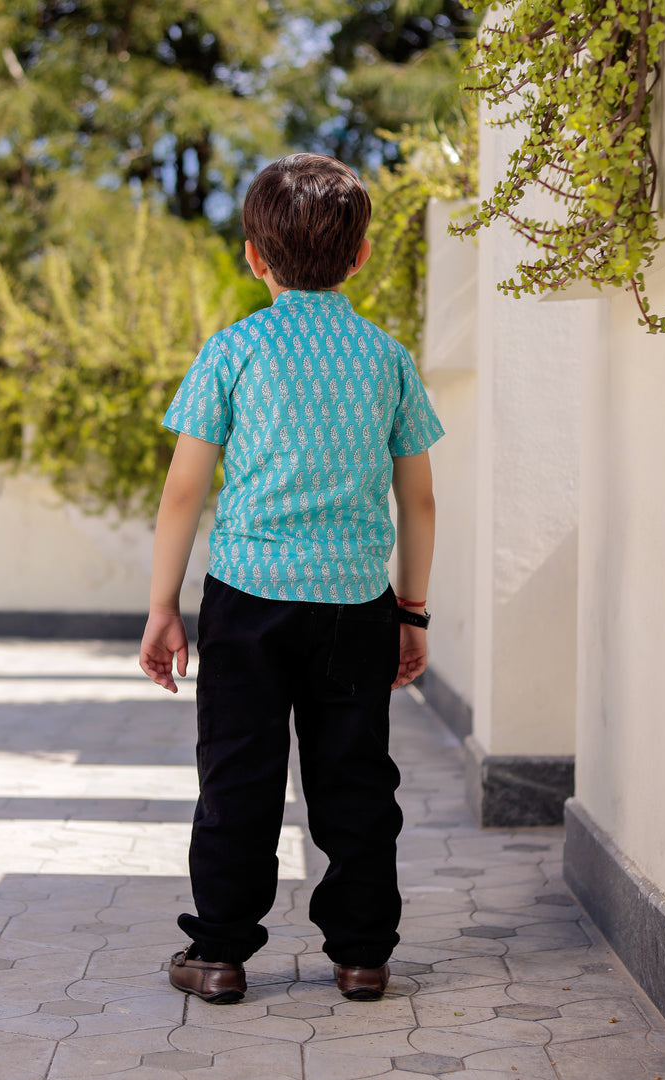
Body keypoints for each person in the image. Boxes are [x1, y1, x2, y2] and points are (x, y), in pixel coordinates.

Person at [139, 153, 444, 1005]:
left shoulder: (234, 351)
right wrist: (412, 611)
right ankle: (360, 956)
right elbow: (419, 500)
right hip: (357, 602)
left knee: (238, 773)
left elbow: (182, 494)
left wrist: (164, 606)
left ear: (252, 255)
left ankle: (221, 954)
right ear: (360, 257)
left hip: (246, 602)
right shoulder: (385, 357)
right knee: (353, 778)